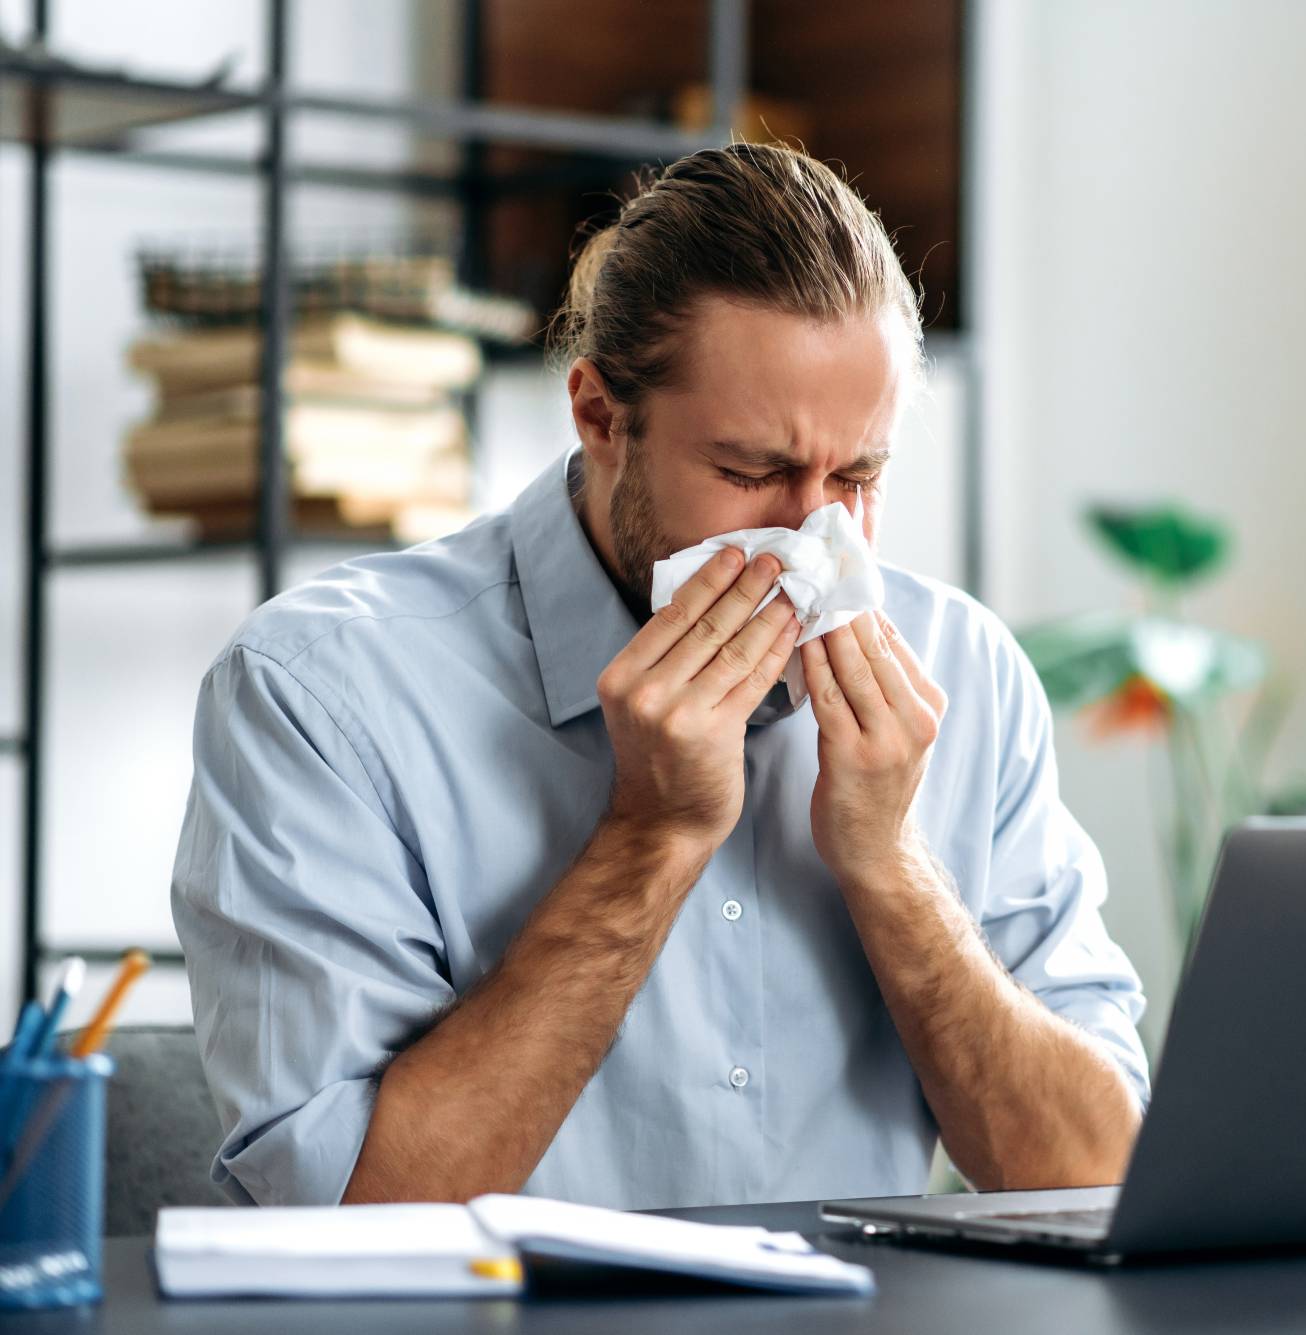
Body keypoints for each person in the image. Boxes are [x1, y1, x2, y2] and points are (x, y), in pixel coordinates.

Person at [169, 143, 1150, 1210]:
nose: (816, 534)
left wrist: (893, 869)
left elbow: (1093, 1180)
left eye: (857, 477)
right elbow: (342, 1220)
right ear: (599, 418)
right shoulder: (321, 693)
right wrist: (651, 836)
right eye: (749, 472)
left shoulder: (965, 671)